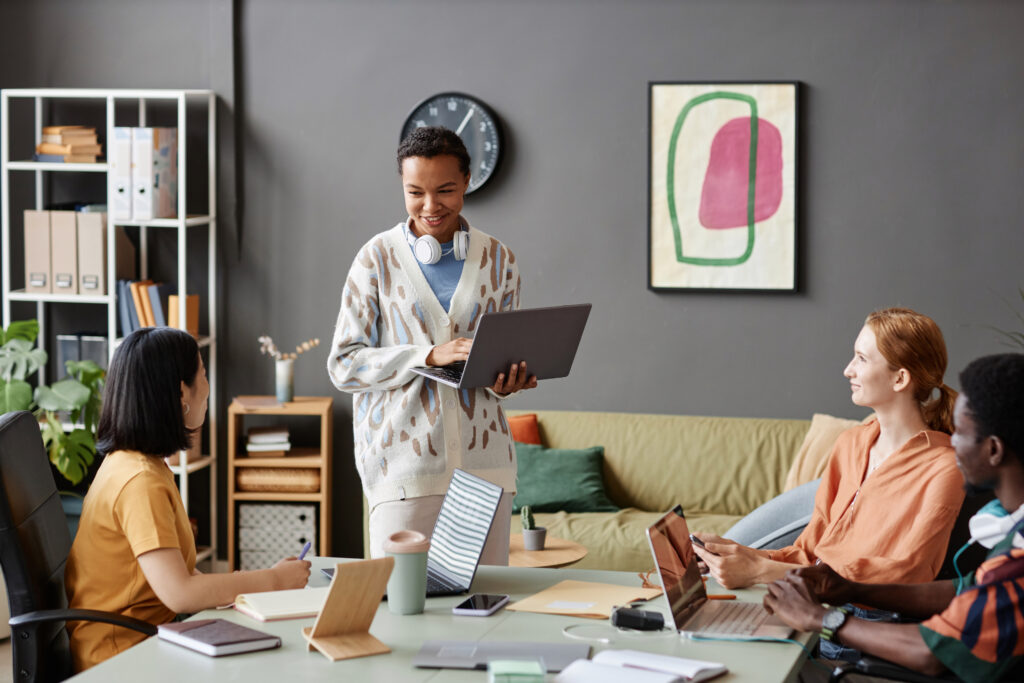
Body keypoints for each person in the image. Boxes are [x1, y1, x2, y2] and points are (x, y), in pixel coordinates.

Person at [327, 126, 535, 562]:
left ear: (467, 182)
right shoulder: (375, 259)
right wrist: (427, 354)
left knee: (483, 614)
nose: (430, 206)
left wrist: (507, 381)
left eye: (445, 190)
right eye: (415, 192)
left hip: (486, 471)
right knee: (400, 610)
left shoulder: (501, 261)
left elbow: (494, 369)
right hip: (402, 472)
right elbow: (345, 365)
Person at [764, 353, 1024, 681]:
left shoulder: (1017, 562)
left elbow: (930, 653)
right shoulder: (1013, 540)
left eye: (959, 433)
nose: (951, 442)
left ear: (994, 449)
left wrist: (820, 618)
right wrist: (854, 590)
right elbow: (962, 591)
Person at [65, 328, 311, 671]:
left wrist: (252, 586)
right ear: (183, 392)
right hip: (120, 656)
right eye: (204, 375)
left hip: (143, 639)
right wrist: (274, 582)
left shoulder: (133, 462)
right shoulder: (140, 482)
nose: (208, 388)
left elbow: (183, 575)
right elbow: (180, 593)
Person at [693, 308, 965, 589]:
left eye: (861, 358)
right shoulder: (851, 444)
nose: (848, 370)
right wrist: (738, 554)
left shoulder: (945, 467)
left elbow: (910, 573)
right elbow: (809, 553)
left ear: (900, 379)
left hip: (869, 615)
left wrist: (761, 571)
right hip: (808, 593)